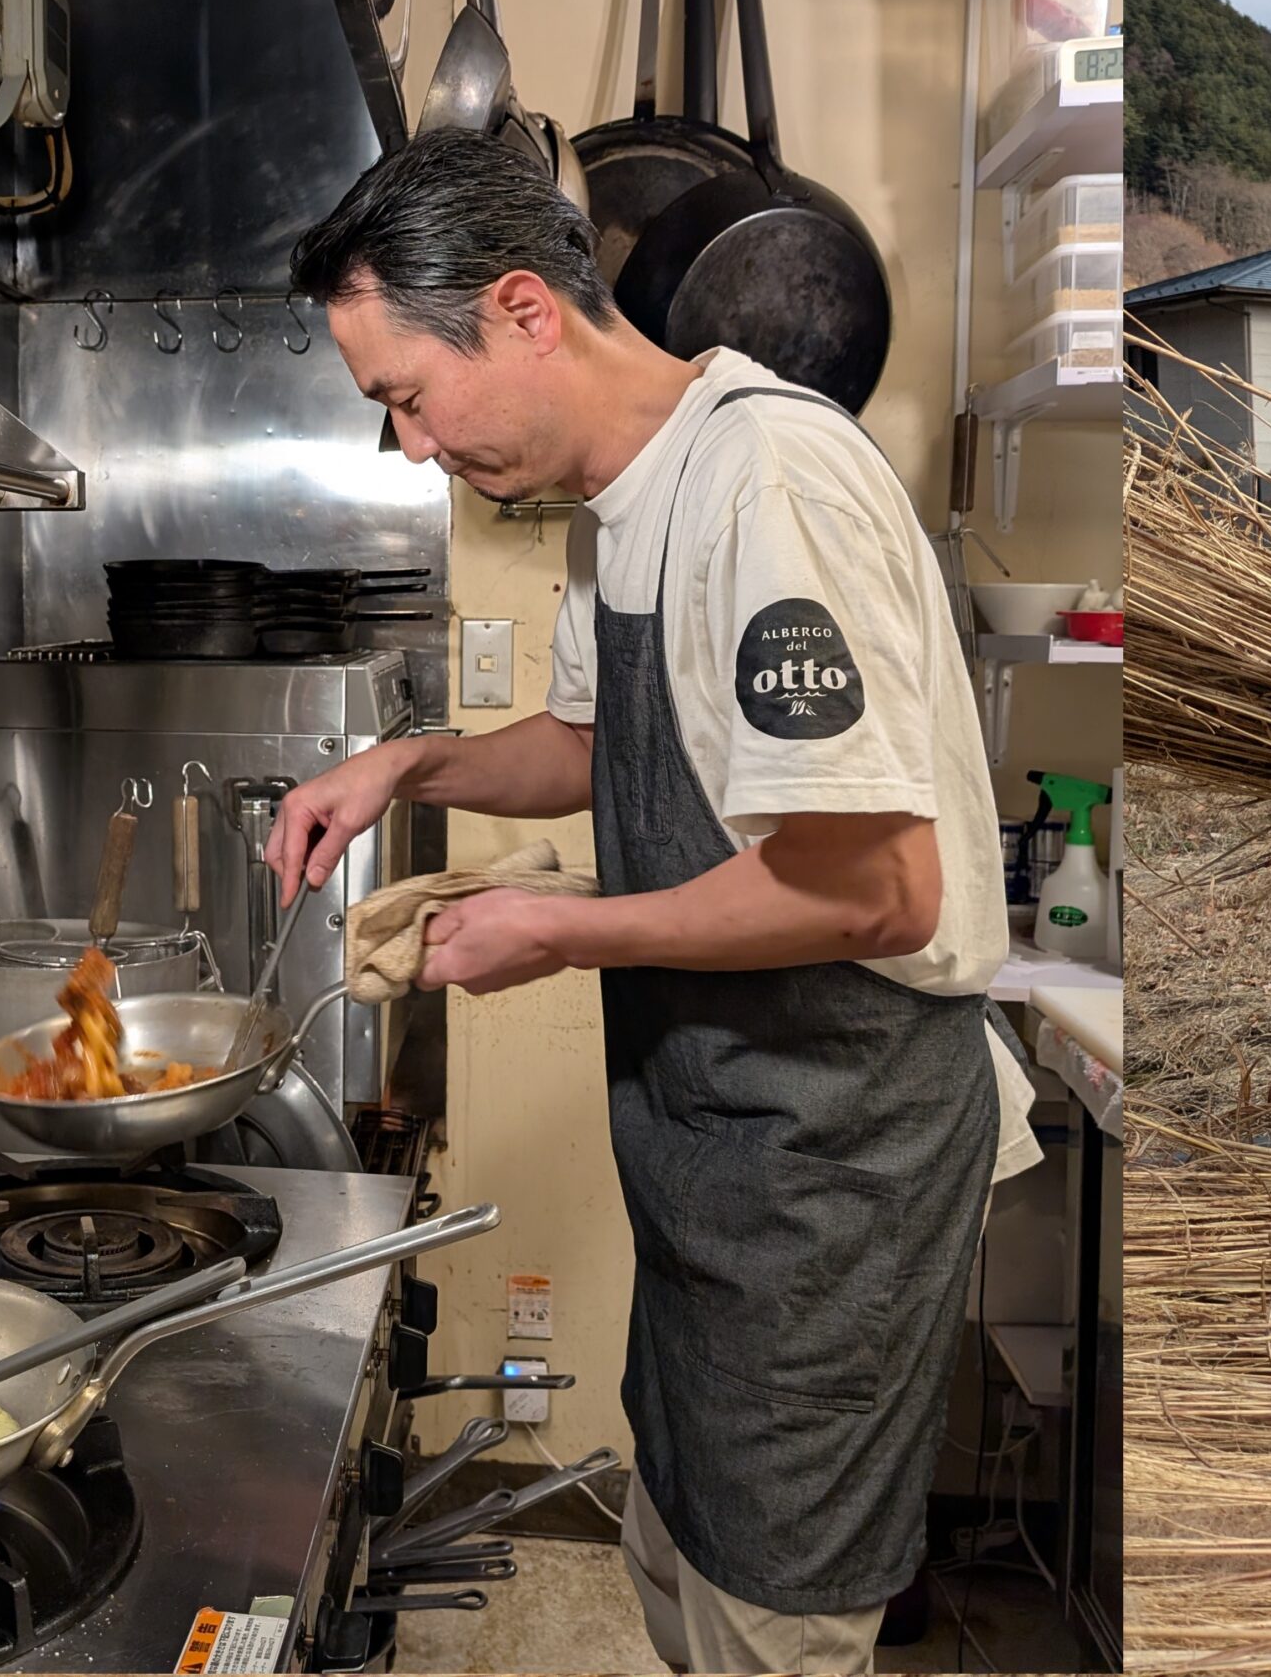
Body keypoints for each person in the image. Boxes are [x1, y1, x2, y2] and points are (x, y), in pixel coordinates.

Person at [266, 129, 1040, 1675]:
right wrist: (403, 766)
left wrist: (558, 929)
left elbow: (878, 889)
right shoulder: (625, 494)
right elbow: (592, 739)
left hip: (833, 1164)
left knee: (777, 1611)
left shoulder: (773, 482)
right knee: (684, 1557)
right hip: (716, 1157)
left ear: (524, 312)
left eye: (407, 398)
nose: (412, 449)